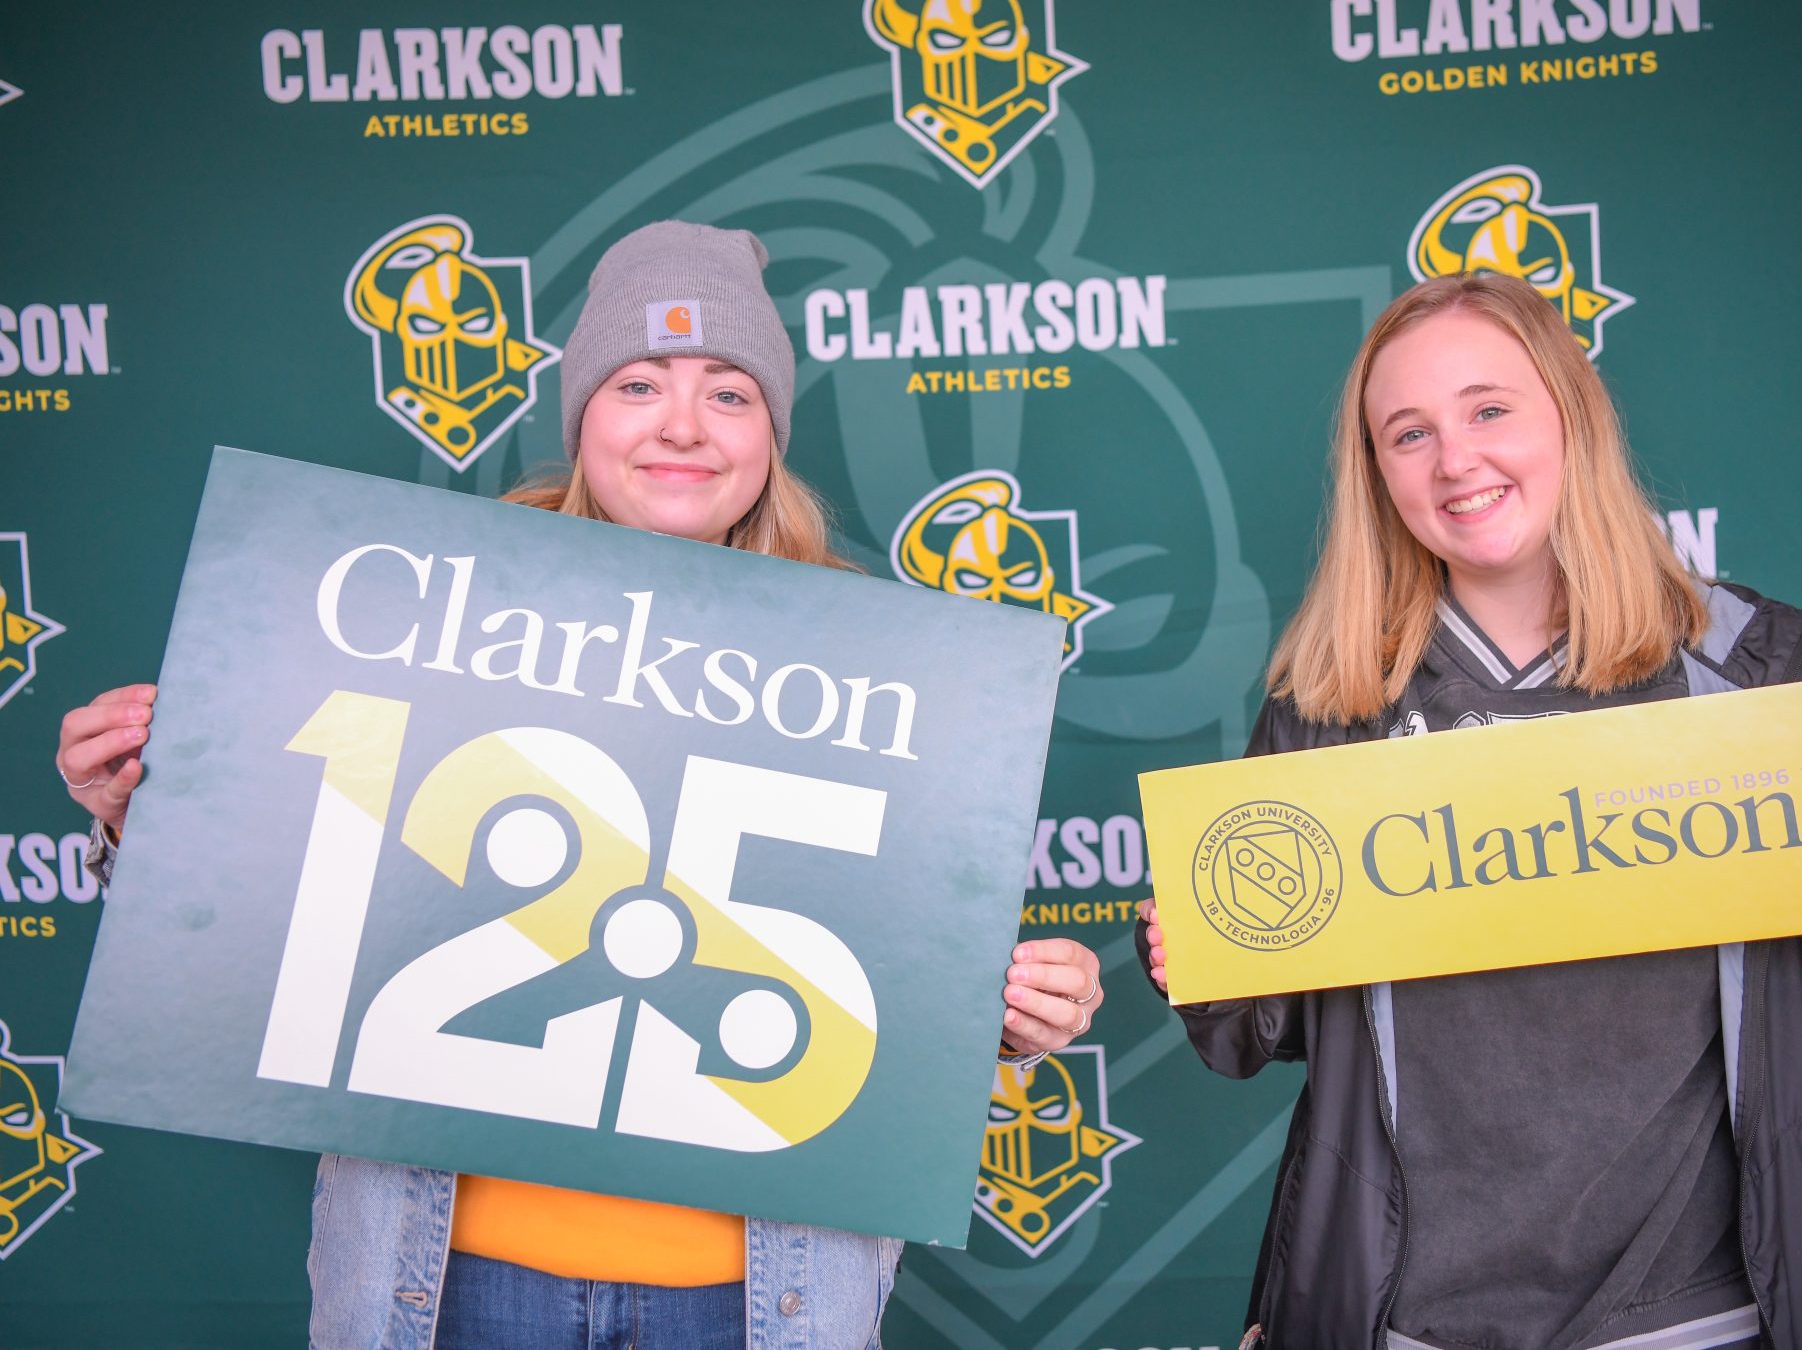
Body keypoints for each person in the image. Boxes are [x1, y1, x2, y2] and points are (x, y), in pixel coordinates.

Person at [56, 221, 1104, 1350]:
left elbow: (896, 969)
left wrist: (1008, 1013)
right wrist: (146, 823)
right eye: (639, 382)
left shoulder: (893, 677)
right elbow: (289, 919)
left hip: (756, 1300)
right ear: (583, 417)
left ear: (772, 435)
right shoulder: (424, 622)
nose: (682, 428)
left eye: (730, 393)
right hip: (453, 1281)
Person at [1135, 272, 1802, 1350]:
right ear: (1374, 472)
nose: (1454, 459)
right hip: (1410, 1321)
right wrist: (1201, 946)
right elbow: (1256, 1031)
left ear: (1570, 414)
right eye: (1407, 433)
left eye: (1487, 409)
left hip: (1705, 1314)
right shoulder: (1333, 704)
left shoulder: (1735, 667)